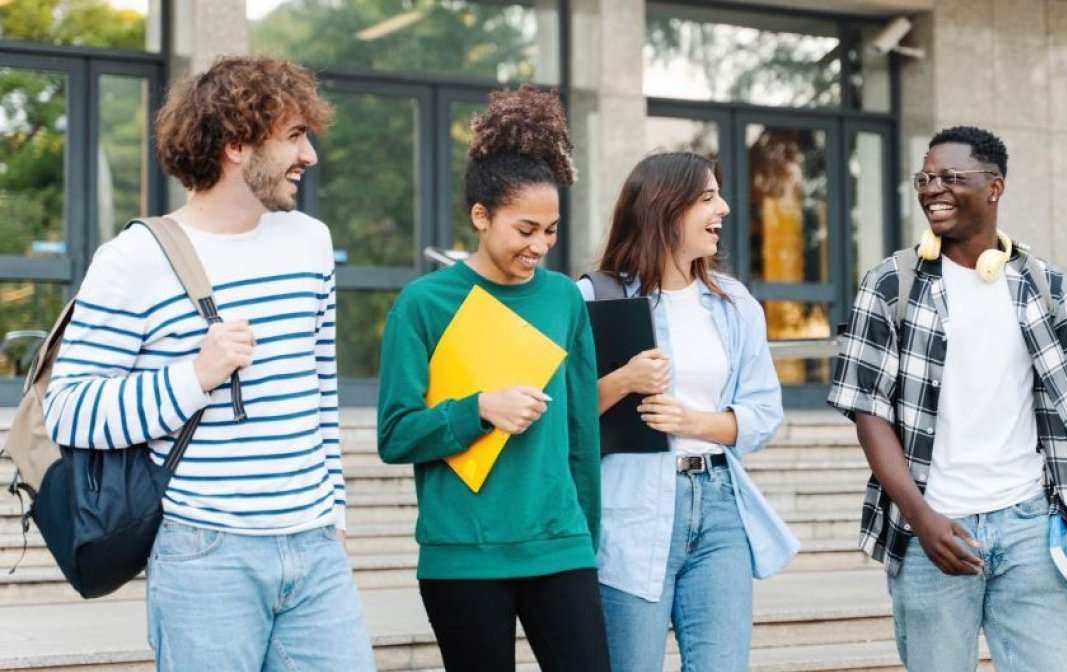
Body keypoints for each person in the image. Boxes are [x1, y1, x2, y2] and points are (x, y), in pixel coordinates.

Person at [41, 56, 375, 669]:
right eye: (296, 137)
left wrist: (335, 513)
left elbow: (321, 390)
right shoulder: (133, 259)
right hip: (205, 554)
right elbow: (67, 411)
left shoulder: (310, 242)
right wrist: (192, 378)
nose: (310, 156)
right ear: (237, 144)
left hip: (316, 551)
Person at [828, 125, 1067, 670]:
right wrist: (921, 517)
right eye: (926, 177)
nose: (933, 189)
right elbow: (868, 413)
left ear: (994, 187)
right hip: (935, 528)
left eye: (952, 177)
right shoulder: (890, 285)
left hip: (1030, 528)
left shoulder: (1045, 286)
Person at [375, 84, 608, 672]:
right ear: (481, 216)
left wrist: (587, 534)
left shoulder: (563, 300)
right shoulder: (423, 305)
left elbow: (582, 431)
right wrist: (477, 408)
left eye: (551, 231)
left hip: (561, 546)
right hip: (464, 555)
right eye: (525, 229)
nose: (541, 246)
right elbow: (395, 435)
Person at [578, 151, 797, 671]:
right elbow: (563, 412)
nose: (723, 207)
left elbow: (763, 414)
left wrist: (691, 422)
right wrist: (625, 380)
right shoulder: (594, 297)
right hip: (630, 507)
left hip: (720, 506)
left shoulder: (735, 303)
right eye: (706, 198)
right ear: (665, 208)